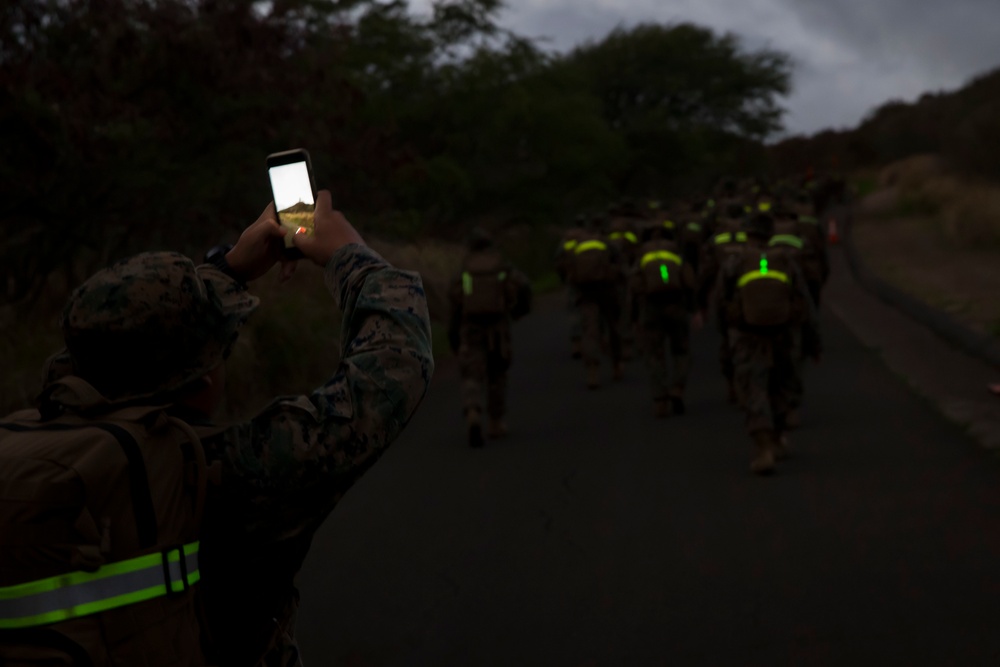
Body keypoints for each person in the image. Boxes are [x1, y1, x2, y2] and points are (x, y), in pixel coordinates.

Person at [0, 192, 434, 665]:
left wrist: (226, 270)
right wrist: (352, 256)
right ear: (205, 376)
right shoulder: (233, 472)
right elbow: (393, 368)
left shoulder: (37, 444)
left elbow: (84, 356)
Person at [718, 212, 820, 475]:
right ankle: (778, 438)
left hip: (747, 335)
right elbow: (805, 302)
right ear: (770, 234)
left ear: (747, 234)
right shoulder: (785, 260)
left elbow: (721, 299)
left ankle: (763, 448)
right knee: (782, 384)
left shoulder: (735, 261)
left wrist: (725, 337)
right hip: (785, 334)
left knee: (754, 387)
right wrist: (812, 341)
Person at [448, 228, 531, 447]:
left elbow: (454, 297)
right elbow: (523, 285)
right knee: (497, 373)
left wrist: (454, 331)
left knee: (471, 374)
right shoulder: (501, 265)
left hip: (471, 327)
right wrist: (518, 311)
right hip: (498, 328)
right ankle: (496, 422)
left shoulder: (465, 268)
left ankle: (473, 409)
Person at [630, 223, 699, 417]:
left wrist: (634, 317)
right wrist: (694, 309)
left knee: (653, 354)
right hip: (676, 306)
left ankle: (660, 399)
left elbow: (634, 285)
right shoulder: (676, 252)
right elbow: (689, 281)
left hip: (651, 308)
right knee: (681, 351)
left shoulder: (643, 254)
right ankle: (677, 388)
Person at [561, 220, 624, 389]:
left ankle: (592, 372)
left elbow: (566, 268)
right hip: (608, 291)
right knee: (613, 328)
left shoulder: (576, 246)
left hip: (585, 293)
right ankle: (617, 365)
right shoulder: (606, 244)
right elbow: (619, 266)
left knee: (590, 332)